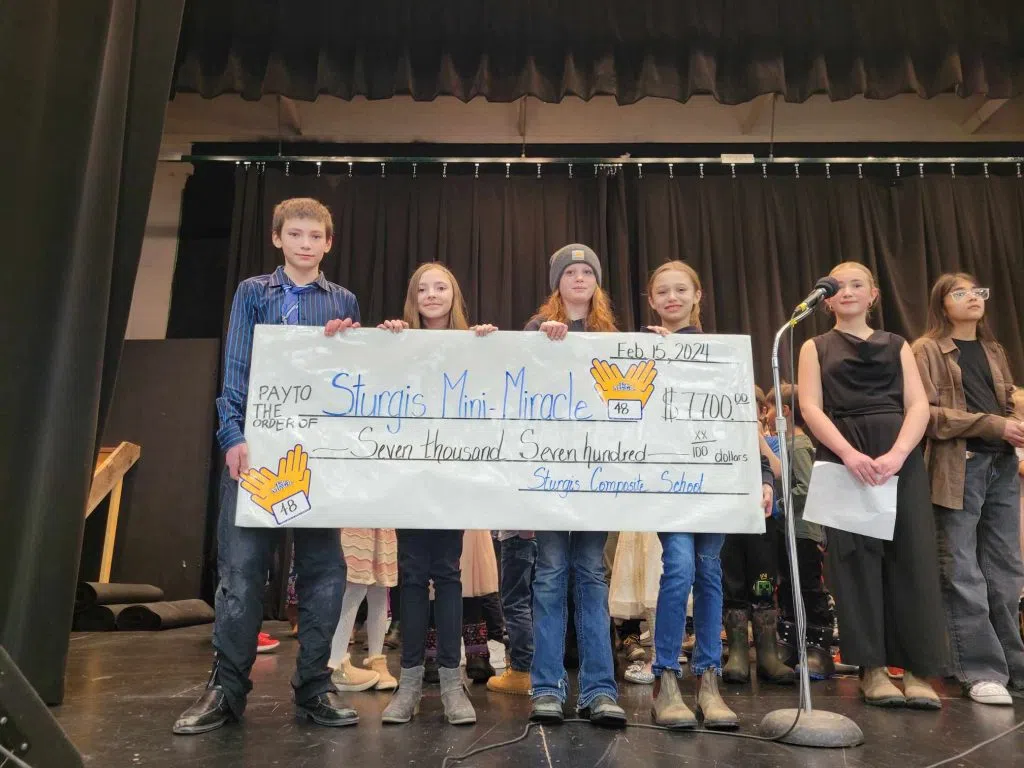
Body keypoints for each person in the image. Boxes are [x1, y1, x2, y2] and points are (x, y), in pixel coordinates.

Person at [174, 198, 362, 735]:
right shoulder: (253, 292)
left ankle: (315, 688)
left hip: (317, 456)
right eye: (295, 234)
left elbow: (352, 379)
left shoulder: (343, 300)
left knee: (325, 572)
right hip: (257, 453)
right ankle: (226, 690)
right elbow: (237, 366)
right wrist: (232, 435)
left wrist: (353, 345)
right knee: (241, 573)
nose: (305, 243)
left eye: (315, 236)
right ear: (278, 238)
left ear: (328, 243)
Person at [798, 261, 947, 710]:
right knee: (854, 562)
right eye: (838, 286)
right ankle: (872, 669)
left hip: (897, 455)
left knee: (912, 557)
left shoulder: (897, 344)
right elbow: (810, 407)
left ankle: (917, 668)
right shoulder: (814, 346)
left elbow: (918, 405)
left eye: (857, 284)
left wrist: (899, 454)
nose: (847, 291)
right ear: (826, 300)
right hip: (844, 455)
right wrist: (848, 453)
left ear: (873, 294)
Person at [369, 262, 497, 726]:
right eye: (422, 288)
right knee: (411, 575)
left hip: (451, 473)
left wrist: (489, 347)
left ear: (454, 295)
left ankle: (450, 681)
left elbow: (492, 390)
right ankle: (408, 683)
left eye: (441, 286)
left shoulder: (473, 342)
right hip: (408, 472)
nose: (432, 294)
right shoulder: (398, 339)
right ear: (413, 298)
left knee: (447, 573)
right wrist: (385, 342)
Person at [526, 244, 626, 728]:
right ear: (557, 283)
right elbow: (519, 385)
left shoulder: (614, 338)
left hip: (596, 475)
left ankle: (599, 690)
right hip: (549, 473)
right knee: (549, 575)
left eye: (588, 271)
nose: (579, 278)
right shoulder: (536, 329)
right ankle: (546, 688)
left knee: (590, 575)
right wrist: (541, 343)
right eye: (570, 273)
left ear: (596, 282)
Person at [912, 273, 1024, 705]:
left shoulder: (994, 350)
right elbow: (928, 416)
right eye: (960, 293)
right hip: (958, 467)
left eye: (977, 291)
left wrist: (1013, 423)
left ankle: (1013, 665)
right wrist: (994, 425)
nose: (973, 298)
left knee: (1006, 570)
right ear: (942, 304)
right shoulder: (926, 349)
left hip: (1001, 465)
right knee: (961, 569)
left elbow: (1006, 403)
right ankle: (979, 670)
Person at [766, 383, 835, 679]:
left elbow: (806, 488)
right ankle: (791, 642)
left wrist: (779, 504)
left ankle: (819, 648)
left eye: (769, 409)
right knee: (788, 585)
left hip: (803, 531)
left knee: (808, 586)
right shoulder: (786, 445)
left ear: (784, 411)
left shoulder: (799, 446)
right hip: (788, 530)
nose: (766, 415)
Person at [327, 528, 399, 692]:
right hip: (356, 519)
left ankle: (376, 660)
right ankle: (336, 663)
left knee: (381, 585)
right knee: (355, 583)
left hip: (381, 521)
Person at [488, 531, 536, 695]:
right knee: (536, 603)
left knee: (516, 603)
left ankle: (522, 670)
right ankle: (539, 669)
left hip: (517, 535)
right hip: (540, 535)